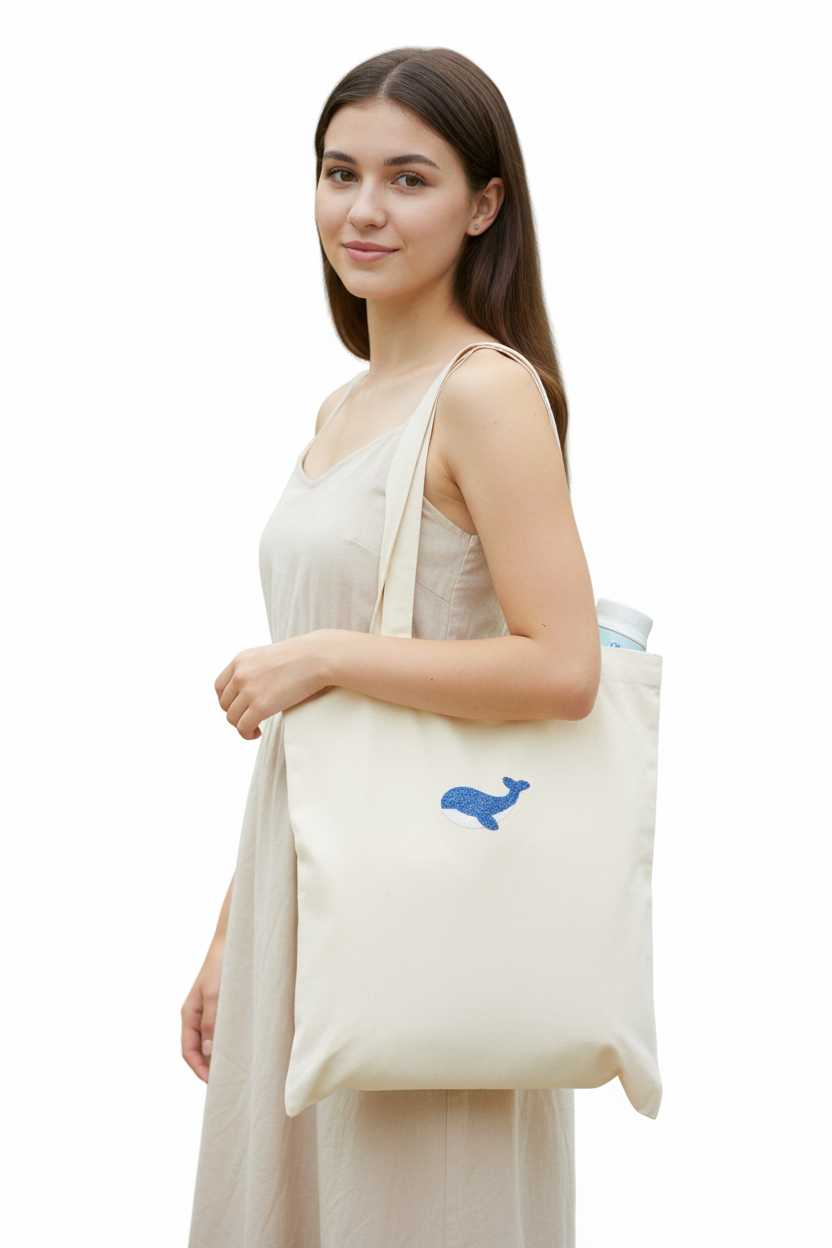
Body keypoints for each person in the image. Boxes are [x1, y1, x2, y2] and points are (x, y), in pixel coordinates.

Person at [182, 46, 601, 1248]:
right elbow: (332, 737)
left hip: (430, 905)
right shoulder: (346, 406)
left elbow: (562, 667)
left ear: (482, 204)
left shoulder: (484, 392)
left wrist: (321, 657)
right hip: (309, 890)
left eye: (408, 179)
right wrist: (231, 933)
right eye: (338, 172)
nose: (361, 211)